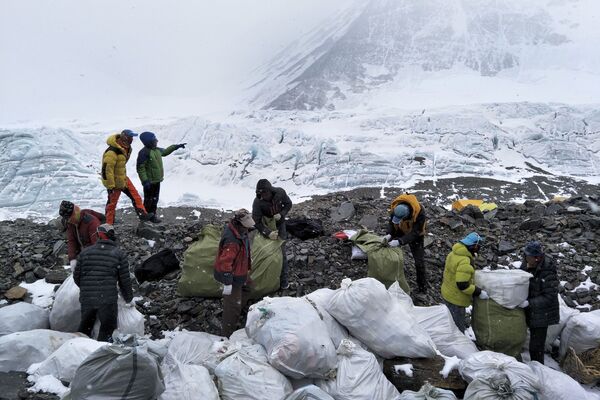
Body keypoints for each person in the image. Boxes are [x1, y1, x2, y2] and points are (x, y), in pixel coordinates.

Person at [73, 224, 133, 342]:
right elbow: (124, 281)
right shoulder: (119, 254)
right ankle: (102, 355)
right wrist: (128, 298)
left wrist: (87, 288)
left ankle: (81, 352)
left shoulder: (85, 253)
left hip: (87, 299)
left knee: (84, 330)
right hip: (107, 301)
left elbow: (76, 277)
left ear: (99, 235)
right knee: (107, 332)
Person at [213, 209, 255, 337]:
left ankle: (238, 307)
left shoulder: (240, 231)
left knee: (249, 288)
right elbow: (225, 262)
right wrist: (228, 281)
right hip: (233, 275)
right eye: (246, 225)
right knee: (232, 307)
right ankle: (227, 335)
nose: (248, 227)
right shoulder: (233, 241)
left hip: (241, 271)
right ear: (239, 223)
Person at [101, 129, 153, 224]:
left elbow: (121, 164)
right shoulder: (112, 152)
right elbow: (106, 170)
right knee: (112, 204)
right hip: (115, 182)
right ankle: (108, 224)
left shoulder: (126, 148)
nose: (132, 139)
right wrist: (110, 185)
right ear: (124, 137)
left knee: (136, 196)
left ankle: (143, 215)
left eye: (132, 137)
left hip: (123, 178)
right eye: (130, 137)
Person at [520, 241, 559, 364]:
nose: (526, 259)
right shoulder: (528, 263)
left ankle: (539, 371)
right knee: (532, 344)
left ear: (537, 258)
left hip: (542, 314)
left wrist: (529, 303)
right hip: (531, 311)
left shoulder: (547, 271)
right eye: (525, 256)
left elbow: (550, 296)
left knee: (536, 348)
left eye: (528, 257)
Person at [441, 232, 488, 332]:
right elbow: (462, 285)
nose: (479, 249)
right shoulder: (464, 261)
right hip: (456, 300)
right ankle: (458, 345)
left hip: (447, 293)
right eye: (478, 246)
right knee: (457, 329)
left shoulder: (453, 253)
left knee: (449, 322)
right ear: (473, 246)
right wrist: (479, 292)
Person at [136, 131, 186, 223]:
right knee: (148, 200)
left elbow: (166, 152)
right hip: (149, 182)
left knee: (155, 199)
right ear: (149, 142)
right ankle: (145, 217)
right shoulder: (144, 153)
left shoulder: (156, 150)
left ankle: (153, 215)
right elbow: (140, 168)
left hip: (157, 180)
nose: (157, 140)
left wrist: (176, 147)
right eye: (154, 139)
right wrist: (145, 181)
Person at [252, 179, 293, 289]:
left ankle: (283, 282)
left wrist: (282, 214)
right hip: (266, 226)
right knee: (266, 251)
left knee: (281, 252)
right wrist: (267, 233)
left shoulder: (280, 192)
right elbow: (256, 221)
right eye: (261, 193)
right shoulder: (257, 202)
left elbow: (288, 204)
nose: (263, 196)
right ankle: (267, 281)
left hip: (280, 225)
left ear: (270, 190)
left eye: (265, 193)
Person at [384, 193, 428, 292]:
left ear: (407, 215)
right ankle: (389, 278)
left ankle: (422, 288)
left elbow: (416, 232)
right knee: (386, 249)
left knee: (419, 262)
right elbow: (392, 222)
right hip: (401, 229)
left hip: (416, 236)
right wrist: (389, 235)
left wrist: (400, 241)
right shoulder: (395, 208)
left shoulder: (420, 213)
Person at [58, 200, 105, 269]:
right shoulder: (70, 223)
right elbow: (72, 241)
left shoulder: (92, 222)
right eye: (68, 220)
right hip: (84, 251)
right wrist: (72, 259)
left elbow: (97, 245)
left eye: (71, 218)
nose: (69, 221)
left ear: (75, 213)